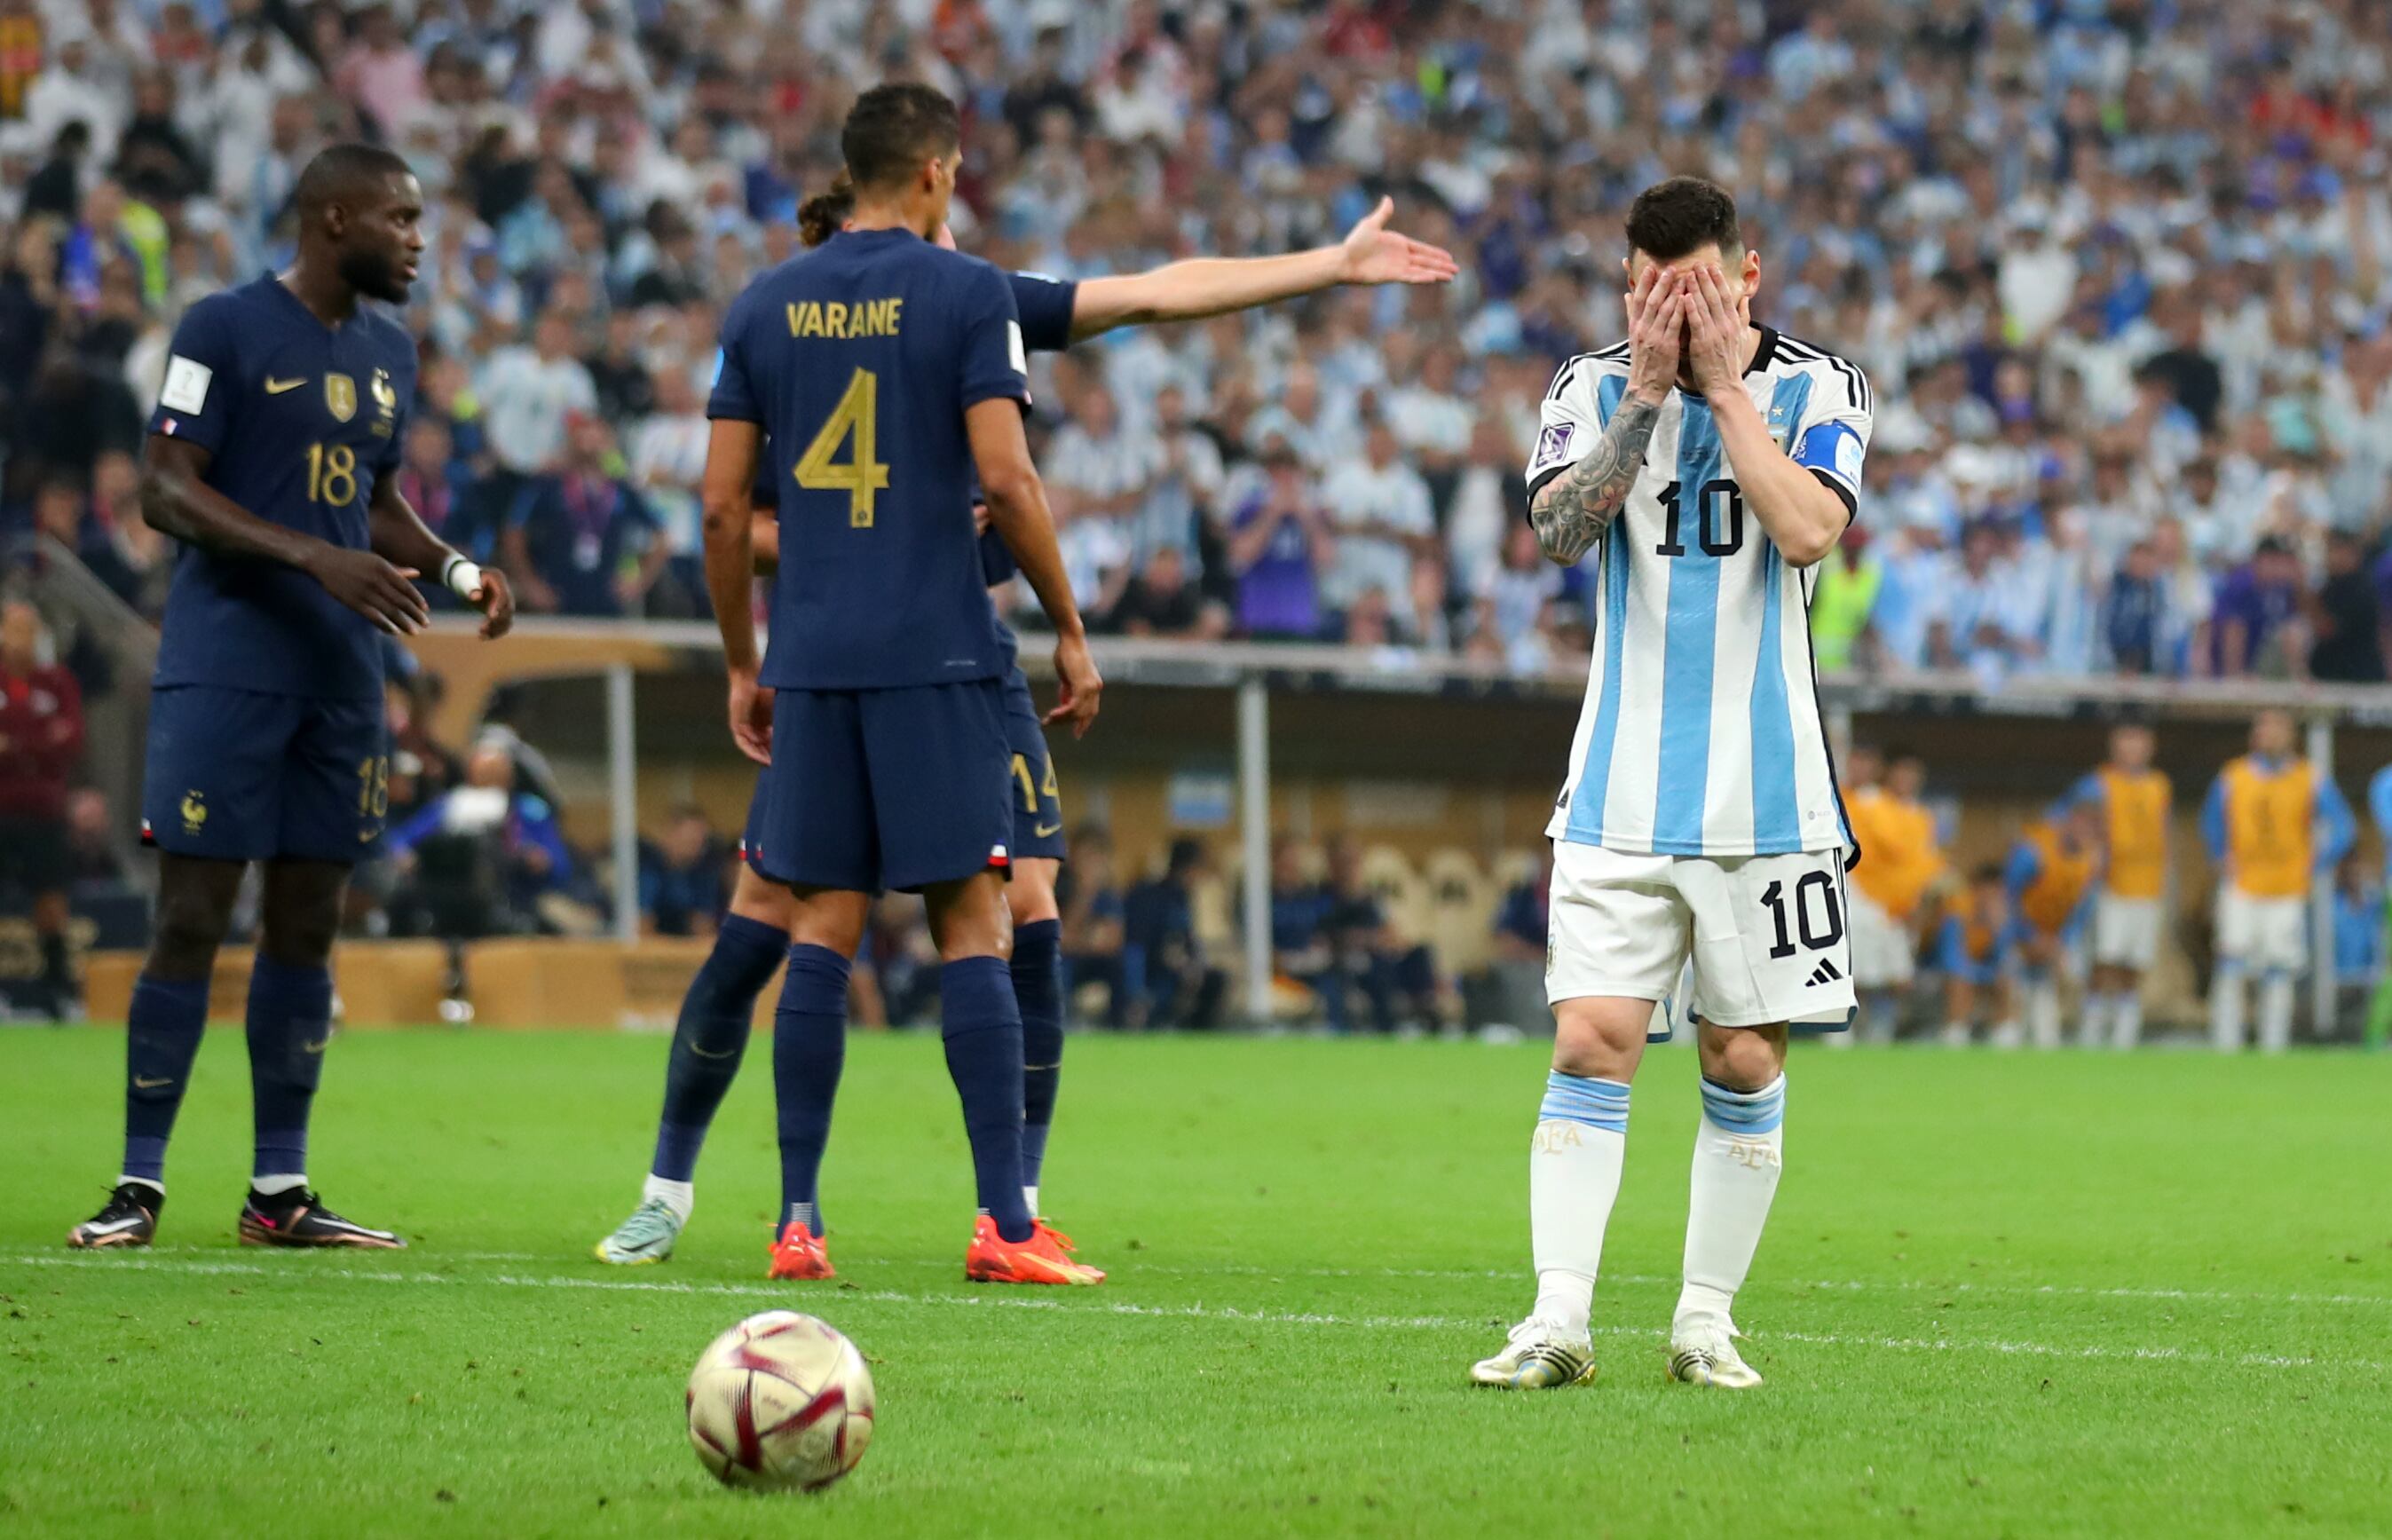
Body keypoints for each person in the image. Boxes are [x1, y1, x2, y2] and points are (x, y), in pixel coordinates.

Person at [593, 155, 1453, 1267]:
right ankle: (676, 1187)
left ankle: (1011, 1200)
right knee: (774, 922)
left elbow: (1154, 289)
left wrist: (1325, 266)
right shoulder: (823, 326)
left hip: (967, 662)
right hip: (852, 657)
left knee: (1026, 901)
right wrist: (864, 543)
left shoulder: (972, 298)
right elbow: (739, 518)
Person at [692, 83, 1103, 1286]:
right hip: (935, 652)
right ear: (934, 172)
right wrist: (1068, 625)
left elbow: (720, 504)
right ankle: (1002, 1226)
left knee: (821, 920)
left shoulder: (763, 300)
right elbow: (1007, 477)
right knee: (969, 918)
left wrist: (739, 655)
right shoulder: (966, 290)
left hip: (812, 658)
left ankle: (797, 1221)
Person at [69, 143, 514, 1252]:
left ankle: (279, 1191)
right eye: (400, 220)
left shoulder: (390, 349)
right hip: (227, 666)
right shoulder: (221, 328)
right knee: (190, 918)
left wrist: (457, 571)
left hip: (341, 677)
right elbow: (167, 490)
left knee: (309, 926)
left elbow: (371, 504)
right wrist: (317, 560)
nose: (419, 240)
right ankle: (137, 1183)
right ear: (332, 219)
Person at [1472, 177, 1869, 1393]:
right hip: (1616, 786)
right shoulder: (1587, 384)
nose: (1667, 306)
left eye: (1692, 285)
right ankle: (1555, 1319)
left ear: (1746, 275)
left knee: (1742, 1058)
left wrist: (1717, 389)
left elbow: (1806, 531)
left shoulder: (1821, 385)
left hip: (1766, 793)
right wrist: (1646, 394)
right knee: (1590, 1042)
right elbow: (1551, 531)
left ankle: (1703, 1318)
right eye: (1646, 286)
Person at [2203, 709, 2353, 1052]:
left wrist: (2316, 864)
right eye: (2263, 728)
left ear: (2291, 736)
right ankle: (2225, 1043)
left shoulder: (2309, 778)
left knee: (2280, 964)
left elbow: (2343, 827)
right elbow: (2211, 821)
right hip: (2242, 883)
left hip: (2287, 888)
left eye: (2277, 729)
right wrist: (2218, 855)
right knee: (2232, 959)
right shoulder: (2234, 776)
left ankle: (2275, 1045)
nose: (2269, 735)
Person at [0, 597, 84, 1018]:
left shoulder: (57, 682)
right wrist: (39, 743)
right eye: (15, 628)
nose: (23, 638)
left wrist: (14, 745)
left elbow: (70, 741)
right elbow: (51, 741)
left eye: (30, 629)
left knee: (51, 903)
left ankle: (60, 994)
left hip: (44, 812)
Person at [2072, 723, 2172, 1047]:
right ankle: (2092, 1027)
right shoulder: (2098, 783)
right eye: (2125, 744)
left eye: (2138, 744)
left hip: (2149, 885)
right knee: (2105, 957)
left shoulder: (2159, 785)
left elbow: (2165, 832)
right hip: (2110, 884)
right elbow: (2075, 823)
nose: (2131, 751)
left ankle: (2126, 1031)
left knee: (2135, 961)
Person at [1840, 745, 1942, 1044]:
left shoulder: (1919, 815)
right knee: (1856, 972)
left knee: (1895, 976)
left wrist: (1918, 902)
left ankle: (1881, 1032)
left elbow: (1921, 862)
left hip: (1900, 906)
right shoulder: (1869, 803)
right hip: (1862, 897)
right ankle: (1845, 1033)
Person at [2003, 799, 2102, 1048]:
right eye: (2081, 825)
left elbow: (2081, 910)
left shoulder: (2089, 863)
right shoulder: (2034, 852)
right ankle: (2006, 1029)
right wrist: (2028, 936)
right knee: (2012, 978)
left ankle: (2057, 1034)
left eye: (2093, 827)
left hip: (2053, 937)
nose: (2085, 833)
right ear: (2068, 823)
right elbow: (2007, 898)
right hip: (2016, 932)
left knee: (2071, 973)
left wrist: (2061, 942)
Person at [1936, 865, 2017, 1047]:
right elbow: (1951, 959)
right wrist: (1972, 973)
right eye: (1989, 892)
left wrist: (1997, 930)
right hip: (1954, 971)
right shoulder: (1957, 916)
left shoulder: (2001, 921)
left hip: (1981, 971)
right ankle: (1955, 1034)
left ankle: (2003, 1035)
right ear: (1976, 890)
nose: (1992, 899)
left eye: (1997, 894)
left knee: (2005, 981)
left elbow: (2003, 960)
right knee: (1959, 981)